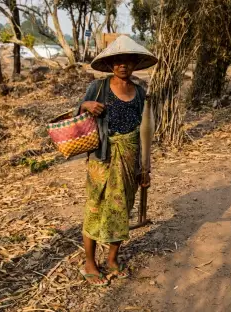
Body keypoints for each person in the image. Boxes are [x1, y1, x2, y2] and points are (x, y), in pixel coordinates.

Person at [74, 35, 158, 286]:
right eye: (118, 61)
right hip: (102, 157)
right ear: (110, 65)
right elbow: (77, 111)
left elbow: (145, 132)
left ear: (134, 65)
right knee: (95, 206)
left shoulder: (140, 93)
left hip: (130, 158)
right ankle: (90, 262)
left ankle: (112, 259)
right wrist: (86, 105)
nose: (123, 65)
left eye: (128, 61)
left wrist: (145, 168)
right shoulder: (97, 88)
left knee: (122, 207)